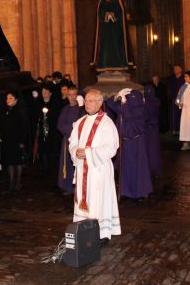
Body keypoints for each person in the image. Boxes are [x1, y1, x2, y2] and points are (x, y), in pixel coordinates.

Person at [68, 89, 121, 242]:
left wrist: (88, 153)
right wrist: (75, 151)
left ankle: (102, 233)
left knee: (99, 199)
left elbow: (111, 147)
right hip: (82, 168)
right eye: (86, 100)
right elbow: (73, 143)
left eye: (90, 101)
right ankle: (82, 230)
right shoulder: (80, 122)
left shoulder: (106, 123)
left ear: (99, 102)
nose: (86, 104)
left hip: (99, 169)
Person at [105, 89, 153, 200]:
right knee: (125, 168)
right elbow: (110, 103)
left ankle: (141, 191)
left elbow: (129, 115)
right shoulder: (123, 108)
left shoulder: (140, 109)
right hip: (125, 142)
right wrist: (116, 95)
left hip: (136, 142)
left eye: (131, 99)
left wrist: (125, 103)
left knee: (138, 168)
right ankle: (126, 191)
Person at [91, 0, 132, 72]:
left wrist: (113, 16)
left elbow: (120, 11)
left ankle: (119, 65)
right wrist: (106, 16)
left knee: (116, 45)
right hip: (105, 28)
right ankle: (105, 65)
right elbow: (99, 12)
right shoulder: (102, 0)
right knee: (105, 47)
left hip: (115, 28)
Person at [0, 90, 31, 193]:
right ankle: (11, 183)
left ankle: (18, 183)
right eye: (7, 98)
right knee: (9, 162)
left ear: (16, 100)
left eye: (11, 98)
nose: (8, 100)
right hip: (7, 141)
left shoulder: (20, 112)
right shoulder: (5, 110)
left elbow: (24, 128)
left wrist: (22, 141)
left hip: (17, 141)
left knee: (18, 162)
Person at [56, 85, 84, 194]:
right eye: (70, 95)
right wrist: (71, 131)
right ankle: (68, 186)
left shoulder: (81, 109)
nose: (72, 97)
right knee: (67, 164)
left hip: (78, 141)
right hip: (67, 140)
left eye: (74, 95)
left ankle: (78, 186)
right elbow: (60, 125)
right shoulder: (65, 109)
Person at [143, 85, 162, 177]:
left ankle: (150, 170)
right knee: (153, 150)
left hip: (147, 128)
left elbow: (145, 115)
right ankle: (155, 170)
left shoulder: (146, 103)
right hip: (153, 128)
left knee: (149, 150)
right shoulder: (156, 101)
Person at [167, 65, 184, 134]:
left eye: (176, 69)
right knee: (174, 114)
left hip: (181, 99)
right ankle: (174, 129)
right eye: (174, 69)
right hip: (174, 99)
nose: (175, 70)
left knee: (180, 115)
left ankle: (180, 129)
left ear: (180, 70)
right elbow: (169, 89)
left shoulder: (183, 79)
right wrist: (170, 95)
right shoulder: (172, 79)